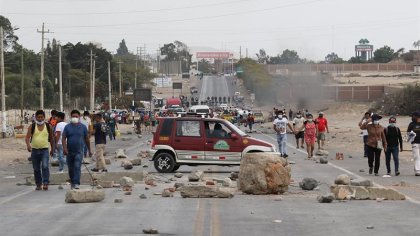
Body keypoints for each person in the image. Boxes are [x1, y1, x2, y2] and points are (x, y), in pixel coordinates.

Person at [25, 110, 54, 190]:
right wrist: (28, 145)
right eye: (38, 117)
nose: (40, 119)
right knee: (36, 168)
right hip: (34, 151)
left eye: (41, 117)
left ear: (44, 117)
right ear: (36, 117)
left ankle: (45, 183)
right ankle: (38, 184)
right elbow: (27, 137)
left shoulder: (48, 126)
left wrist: (52, 149)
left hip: (45, 150)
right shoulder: (32, 126)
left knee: (45, 166)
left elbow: (51, 139)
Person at [62, 110, 92, 189]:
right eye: (73, 116)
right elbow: (63, 138)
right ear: (71, 117)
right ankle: (72, 181)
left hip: (79, 151)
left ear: (79, 117)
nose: (74, 118)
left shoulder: (83, 127)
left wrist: (89, 150)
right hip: (69, 151)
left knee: (77, 166)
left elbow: (87, 139)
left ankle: (76, 183)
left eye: (76, 116)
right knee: (71, 168)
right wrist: (64, 149)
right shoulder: (67, 127)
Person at [407, 111, 420, 176]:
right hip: (415, 143)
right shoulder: (411, 124)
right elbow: (408, 133)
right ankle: (417, 171)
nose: (412, 117)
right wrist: (411, 135)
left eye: (413, 116)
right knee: (416, 156)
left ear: (417, 117)